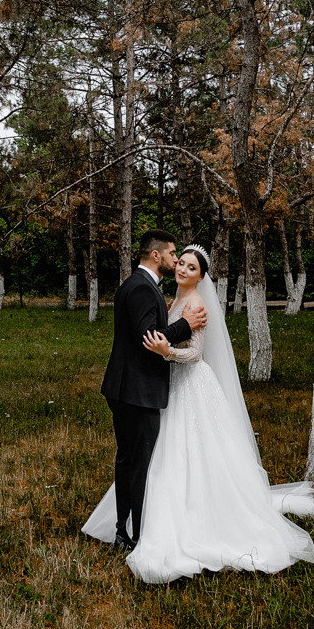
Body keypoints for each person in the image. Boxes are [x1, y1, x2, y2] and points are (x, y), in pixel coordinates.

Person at [84, 243, 314, 583]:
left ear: (201, 276)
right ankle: (137, 522)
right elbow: (154, 332)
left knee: (192, 452)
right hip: (163, 387)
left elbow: (194, 354)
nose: (182, 269)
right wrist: (169, 338)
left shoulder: (196, 303)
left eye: (191, 268)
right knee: (161, 453)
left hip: (190, 383)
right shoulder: (170, 300)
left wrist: (168, 352)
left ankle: (188, 520)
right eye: (180, 262)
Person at [94, 229, 205, 552]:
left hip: (126, 388)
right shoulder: (142, 289)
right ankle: (135, 535)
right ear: (156, 256)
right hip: (136, 391)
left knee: (129, 460)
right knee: (137, 464)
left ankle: (123, 530)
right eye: (173, 255)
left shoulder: (137, 285)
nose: (176, 260)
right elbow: (149, 341)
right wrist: (185, 325)